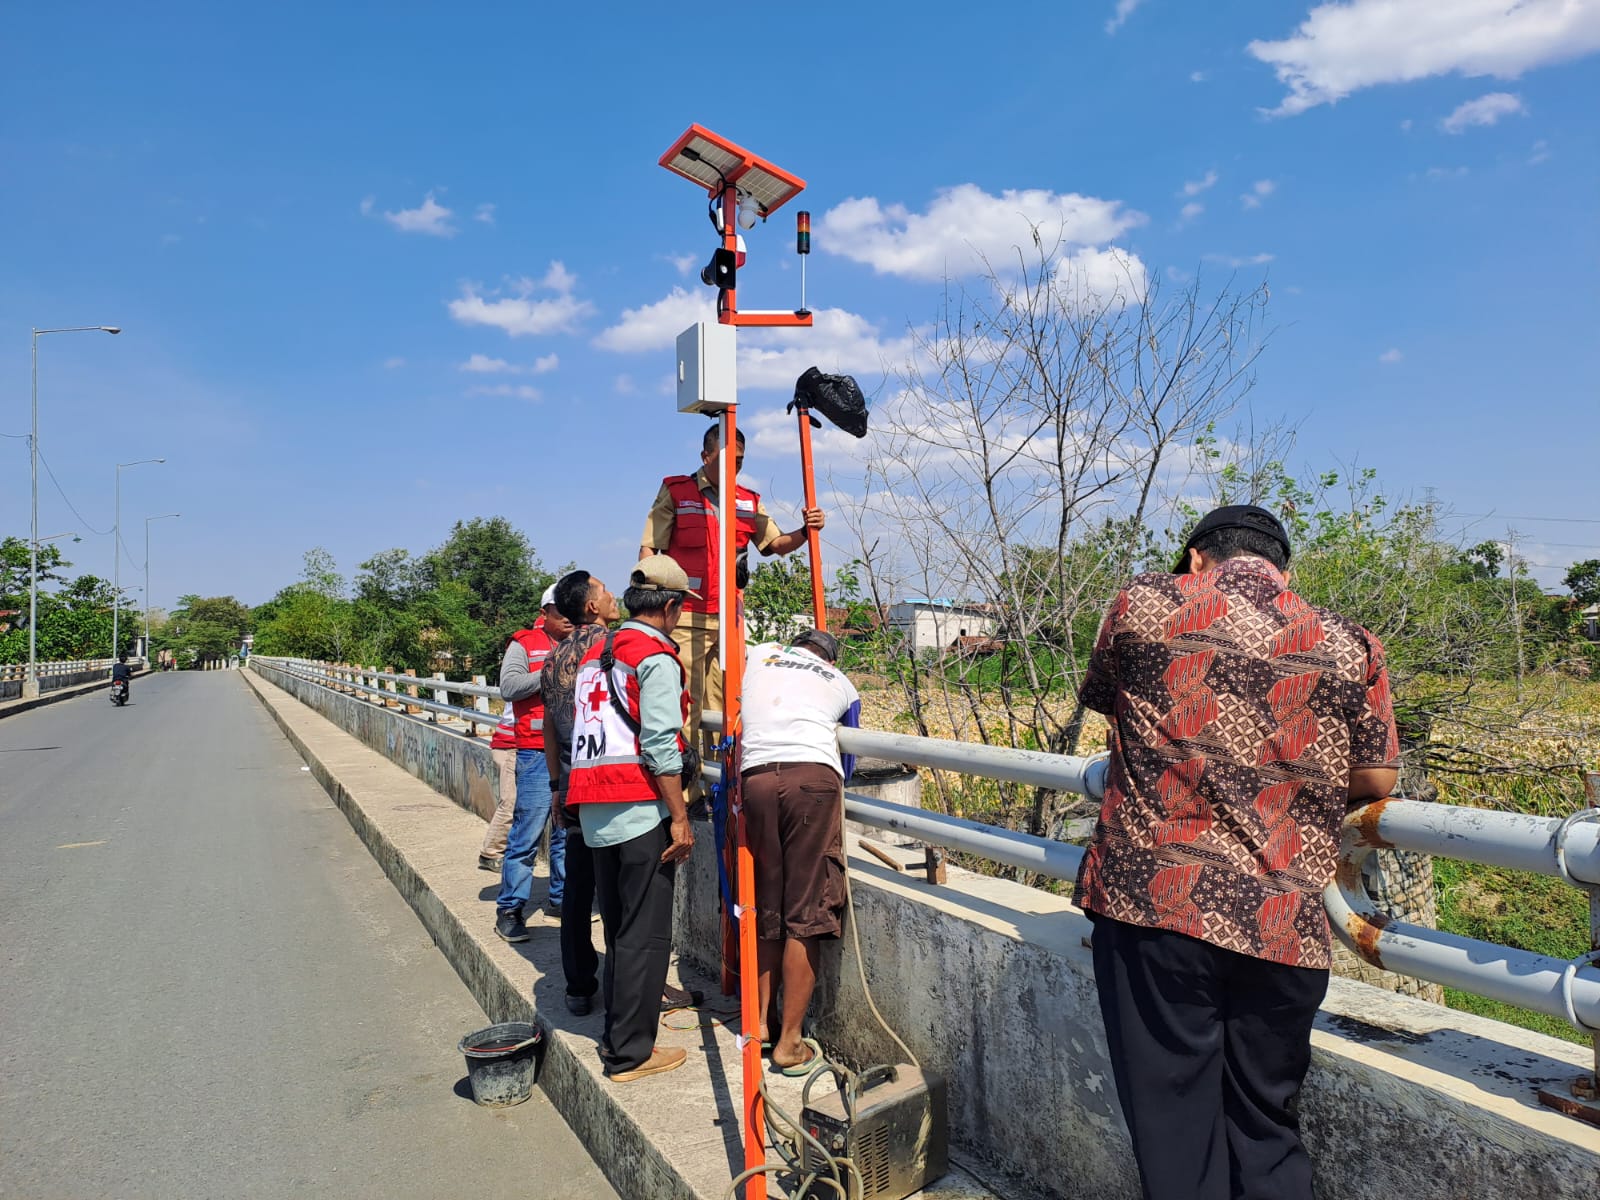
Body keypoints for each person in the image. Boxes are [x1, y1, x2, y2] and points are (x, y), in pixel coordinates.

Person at [1074, 504, 1400, 1200]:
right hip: (1282, 922)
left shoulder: (1144, 601)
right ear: (1284, 571)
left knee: (1176, 1136)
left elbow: (1109, 700)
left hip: (1155, 907)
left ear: (1197, 558)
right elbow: (1377, 779)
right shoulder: (1350, 643)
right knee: (1266, 1129)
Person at [562, 555, 697, 1082]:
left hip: (595, 806)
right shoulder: (654, 657)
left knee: (620, 930)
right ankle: (631, 1054)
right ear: (670, 606)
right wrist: (680, 817)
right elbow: (661, 743)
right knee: (645, 933)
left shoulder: (599, 653)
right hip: (639, 806)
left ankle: (620, 1035)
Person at [638, 424, 826, 772]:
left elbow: (775, 545)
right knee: (686, 707)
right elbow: (650, 547)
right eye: (726, 459)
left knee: (727, 706)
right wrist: (647, 600)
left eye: (739, 460)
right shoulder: (677, 491)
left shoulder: (747, 500)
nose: (733, 467)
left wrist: (806, 530)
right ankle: (687, 791)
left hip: (730, 622)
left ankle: (721, 788)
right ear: (705, 456)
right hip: (686, 617)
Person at [739, 629, 861, 1075]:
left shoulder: (759, 655)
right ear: (831, 658)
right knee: (806, 911)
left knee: (769, 904)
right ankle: (789, 1043)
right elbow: (849, 762)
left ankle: (761, 1022)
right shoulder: (841, 682)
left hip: (756, 779)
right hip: (811, 779)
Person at [539, 569, 621, 1015]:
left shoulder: (553, 660)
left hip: (571, 785)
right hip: (611, 783)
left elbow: (550, 730)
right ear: (591, 606)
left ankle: (578, 986)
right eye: (605, 592)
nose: (612, 597)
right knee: (618, 892)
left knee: (576, 889)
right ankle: (626, 989)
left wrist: (555, 785)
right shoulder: (614, 647)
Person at [493, 585, 575, 943]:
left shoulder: (582, 641)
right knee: (526, 835)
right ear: (546, 613)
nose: (569, 619)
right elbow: (508, 686)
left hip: (574, 751)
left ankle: (561, 899)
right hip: (536, 752)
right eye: (562, 613)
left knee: (566, 834)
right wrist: (550, 671)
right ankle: (510, 910)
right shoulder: (524, 644)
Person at [478, 706, 518, 873]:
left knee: (517, 803)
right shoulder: (526, 679)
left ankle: (510, 851)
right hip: (511, 744)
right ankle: (491, 853)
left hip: (513, 741)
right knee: (510, 802)